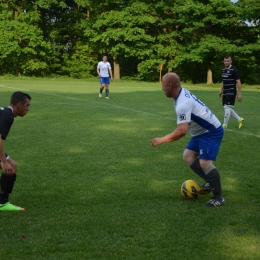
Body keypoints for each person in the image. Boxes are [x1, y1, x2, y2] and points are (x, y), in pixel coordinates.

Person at [151, 73, 225, 207]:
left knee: (205, 163)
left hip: (210, 131)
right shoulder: (180, 94)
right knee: (188, 156)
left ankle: (219, 198)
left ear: (169, 86)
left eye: (163, 85)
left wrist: (161, 140)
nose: (162, 88)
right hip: (200, 132)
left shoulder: (183, 104)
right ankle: (210, 180)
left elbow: (181, 131)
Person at [0, 91, 31, 211]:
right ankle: (2, 203)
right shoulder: (8, 116)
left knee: (12, 166)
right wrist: (3, 161)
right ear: (19, 105)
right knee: (9, 166)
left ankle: (2, 202)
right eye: (27, 105)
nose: (28, 109)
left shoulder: (6, 112)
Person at [219, 56, 244, 129]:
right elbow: (223, 81)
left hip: (231, 90)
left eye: (228, 61)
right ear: (223, 62)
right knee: (225, 108)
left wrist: (239, 94)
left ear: (231, 61)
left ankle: (224, 125)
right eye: (225, 61)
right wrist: (221, 90)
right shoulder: (223, 70)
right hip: (225, 90)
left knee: (226, 107)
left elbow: (238, 82)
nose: (226, 62)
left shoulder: (234, 70)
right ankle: (240, 119)